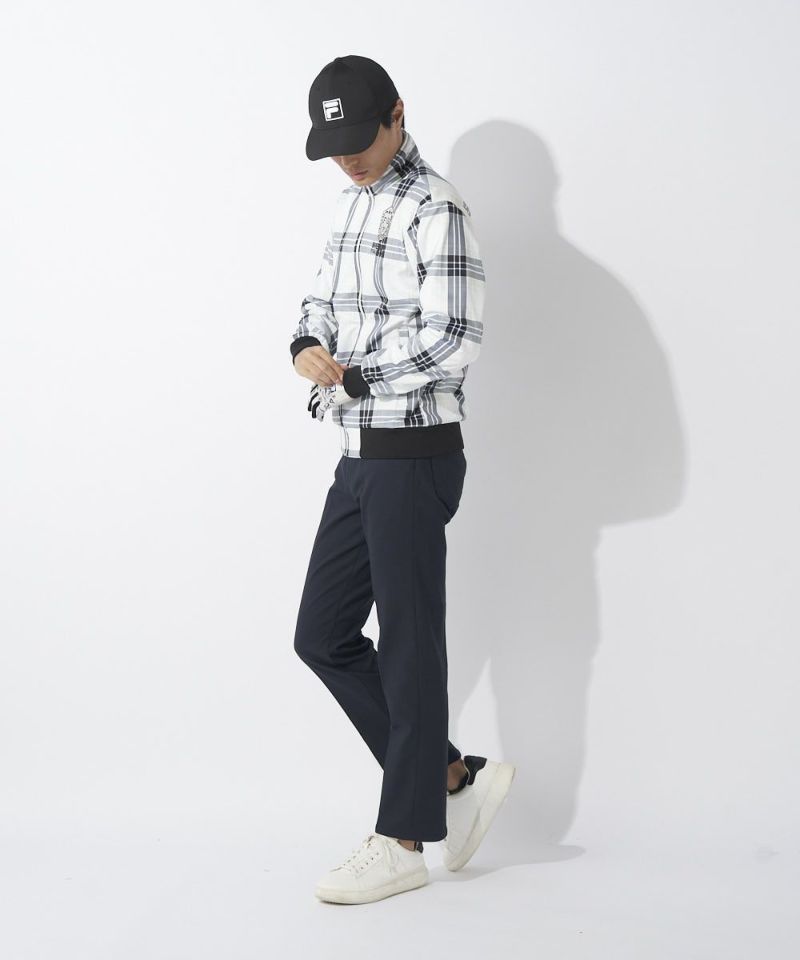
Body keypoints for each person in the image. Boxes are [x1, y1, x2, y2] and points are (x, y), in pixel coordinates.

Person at [290, 54, 515, 905]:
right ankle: (450, 777)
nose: (347, 156)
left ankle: (404, 838)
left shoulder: (436, 208)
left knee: (410, 645)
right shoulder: (353, 204)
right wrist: (305, 345)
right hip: (359, 451)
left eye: (360, 136)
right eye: (333, 144)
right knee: (322, 634)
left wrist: (355, 377)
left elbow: (455, 337)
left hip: (415, 452)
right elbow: (319, 302)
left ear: (398, 114)